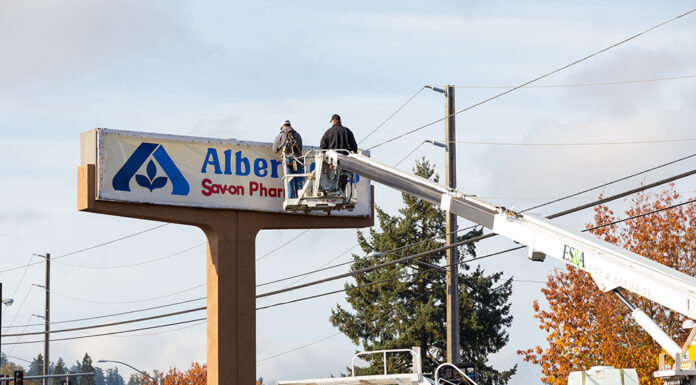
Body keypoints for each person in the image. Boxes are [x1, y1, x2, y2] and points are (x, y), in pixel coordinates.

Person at [319, 114, 358, 191]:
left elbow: (322, 147)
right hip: (344, 162)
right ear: (339, 121)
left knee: (331, 179)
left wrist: (325, 155)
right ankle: (342, 192)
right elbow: (354, 147)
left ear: (333, 121)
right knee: (343, 178)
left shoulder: (328, 132)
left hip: (332, 163)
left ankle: (333, 191)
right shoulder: (347, 131)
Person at [272, 120, 304, 199]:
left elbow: (274, 150)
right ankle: (300, 198)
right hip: (298, 160)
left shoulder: (280, 135)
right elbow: (300, 147)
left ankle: (290, 199)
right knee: (298, 181)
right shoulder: (297, 135)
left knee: (289, 180)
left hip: (287, 160)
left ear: (283, 126)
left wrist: (281, 146)